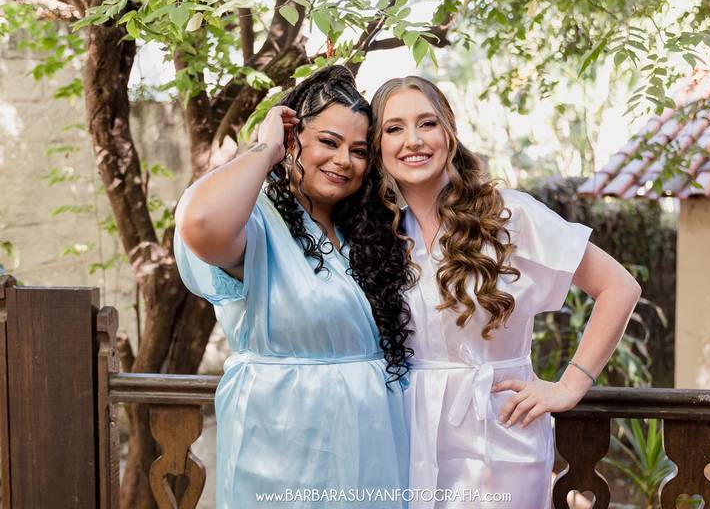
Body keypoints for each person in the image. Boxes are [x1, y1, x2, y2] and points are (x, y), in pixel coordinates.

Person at [370, 76, 642, 508]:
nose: (413, 140)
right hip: (406, 431)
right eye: (394, 128)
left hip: (499, 433)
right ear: (378, 145)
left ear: (449, 132)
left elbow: (619, 287)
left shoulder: (508, 215)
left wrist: (570, 385)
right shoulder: (378, 235)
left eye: (427, 123)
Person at [174, 66, 413, 509]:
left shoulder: (365, 236)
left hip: (371, 449)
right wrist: (265, 149)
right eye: (328, 142)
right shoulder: (258, 223)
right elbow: (201, 221)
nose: (344, 160)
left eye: (359, 151)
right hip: (283, 450)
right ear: (292, 139)